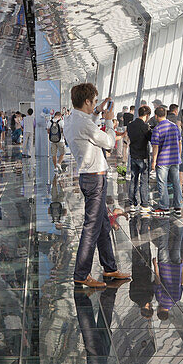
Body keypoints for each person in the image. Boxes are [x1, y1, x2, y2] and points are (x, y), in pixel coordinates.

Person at [65, 83, 130, 288]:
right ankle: (81, 273)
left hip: (88, 176)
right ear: (86, 101)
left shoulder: (71, 119)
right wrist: (109, 122)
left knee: (102, 224)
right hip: (95, 178)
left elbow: (86, 124)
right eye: (93, 101)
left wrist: (97, 112)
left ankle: (109, 267)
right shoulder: (84, 124)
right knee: (91, 227)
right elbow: (109, 142)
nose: (95, 104)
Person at [150, 106, 183, 216]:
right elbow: (180, 142)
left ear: (156, 116)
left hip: (163, 160)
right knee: (176, 182)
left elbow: (155, 147)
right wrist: (178, 155)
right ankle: (178, 206)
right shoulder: (174, 127)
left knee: (162, 183)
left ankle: (164, 207)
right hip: (175, 159)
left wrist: (153, 161)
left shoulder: (157, 129)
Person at [126, 105, 152, 213]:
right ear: (146, 115)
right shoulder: (145, 127)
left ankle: (132, 203)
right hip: (143, 156)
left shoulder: (130, 125)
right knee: (144, 180)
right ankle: (144, 204)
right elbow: (150, 139)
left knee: (133, 179)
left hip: (133, 155)